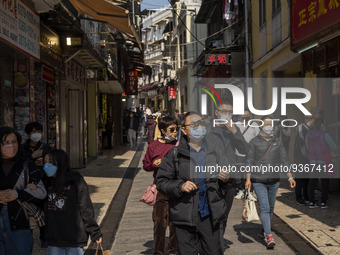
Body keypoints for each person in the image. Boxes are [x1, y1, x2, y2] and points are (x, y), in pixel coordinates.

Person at [156, 112, 230, 255]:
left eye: (202, 123)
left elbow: (231, 180)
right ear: (184, 130)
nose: (199, 127)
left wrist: (226, 178)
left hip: (210, 215)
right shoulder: (175, 154)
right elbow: (161, 181)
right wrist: (180, 186)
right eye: (194, 125)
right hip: (185, 216)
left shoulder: (215, 151)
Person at [245, 116, 296, 249]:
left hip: (274, 180)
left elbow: (284, 160)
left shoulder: (278, 141)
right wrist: (248, 178)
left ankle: (265, 228)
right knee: (265, 208)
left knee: (271, 208)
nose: (269, 126)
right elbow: (249, 160)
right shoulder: (254, 142)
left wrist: (290, 177)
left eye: (270, 124)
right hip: (258, 180)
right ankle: (269, 236)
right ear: (261, 126)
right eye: (266, 124)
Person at [43, 149, 102, 254]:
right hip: (54, 239)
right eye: (45, 163)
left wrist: (94, 232)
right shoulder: (46, 183)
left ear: (60, 163)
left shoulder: (76, 181)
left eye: (50, 163)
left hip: (74, 238)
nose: (46, 166)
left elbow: (85, 208)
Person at [0, 126, 46, 254]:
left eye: (14, 142)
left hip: (19, 222)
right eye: (6, 143)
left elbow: (41, 192)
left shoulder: (26, 164)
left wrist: (18, 193)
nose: (11, 146)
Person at [143, 116, 178, 255]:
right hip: (160, 188)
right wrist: (153, 165)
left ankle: (173, 251)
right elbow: (145, 165)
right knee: (159, 223)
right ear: (163, 131)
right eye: (172, 129)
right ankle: (158, 252)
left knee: (175, 223)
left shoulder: (180, 145)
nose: (175, 132)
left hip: (176, 187)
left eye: (177, 129)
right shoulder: (153, 146)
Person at [306, 118, 336, 209]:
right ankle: (323, 202)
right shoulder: (325, 135)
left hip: (312, 161)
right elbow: (333, 147)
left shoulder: (308, 135)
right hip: (323, 162)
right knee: (324, 182)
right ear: (322, 125)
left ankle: (312, 202)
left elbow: (308, 148)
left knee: (312, 182)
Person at [233, 108, 259, 201]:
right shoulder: (236, 125)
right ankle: (241, 190)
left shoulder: (254, 125)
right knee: (239, 173)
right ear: (239, 115)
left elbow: (258, 138)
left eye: (247, 116)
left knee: (250, 173)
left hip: (251, 154)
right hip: (238, 153)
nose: (245, 117)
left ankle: (250, 192)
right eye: (243, 116)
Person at [293, 117, 314, 205]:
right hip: (300, 158)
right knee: (299, 178)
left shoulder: (311, 130)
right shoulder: (301, 127)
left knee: (306, 179)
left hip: (307, 158)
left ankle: (306, 197)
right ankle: (299, 197)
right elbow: (303, 141)